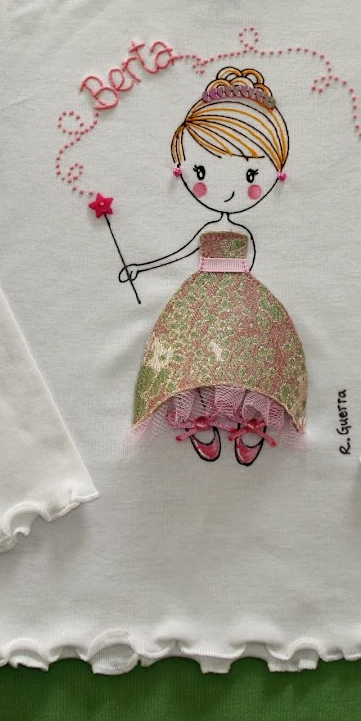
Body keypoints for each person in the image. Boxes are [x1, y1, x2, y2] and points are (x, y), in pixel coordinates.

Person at [121, 67, 309, 466]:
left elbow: (249, 262)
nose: (226, 189)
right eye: (201, 171)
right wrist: (141, 266)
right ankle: (202, 415)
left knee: (244, 355)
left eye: (251, 173)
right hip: (203, 293)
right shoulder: (208, 230)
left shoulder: (243, 233)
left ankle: (248, 417)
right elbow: (180, 253)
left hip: (240, 295)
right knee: (195, 356)